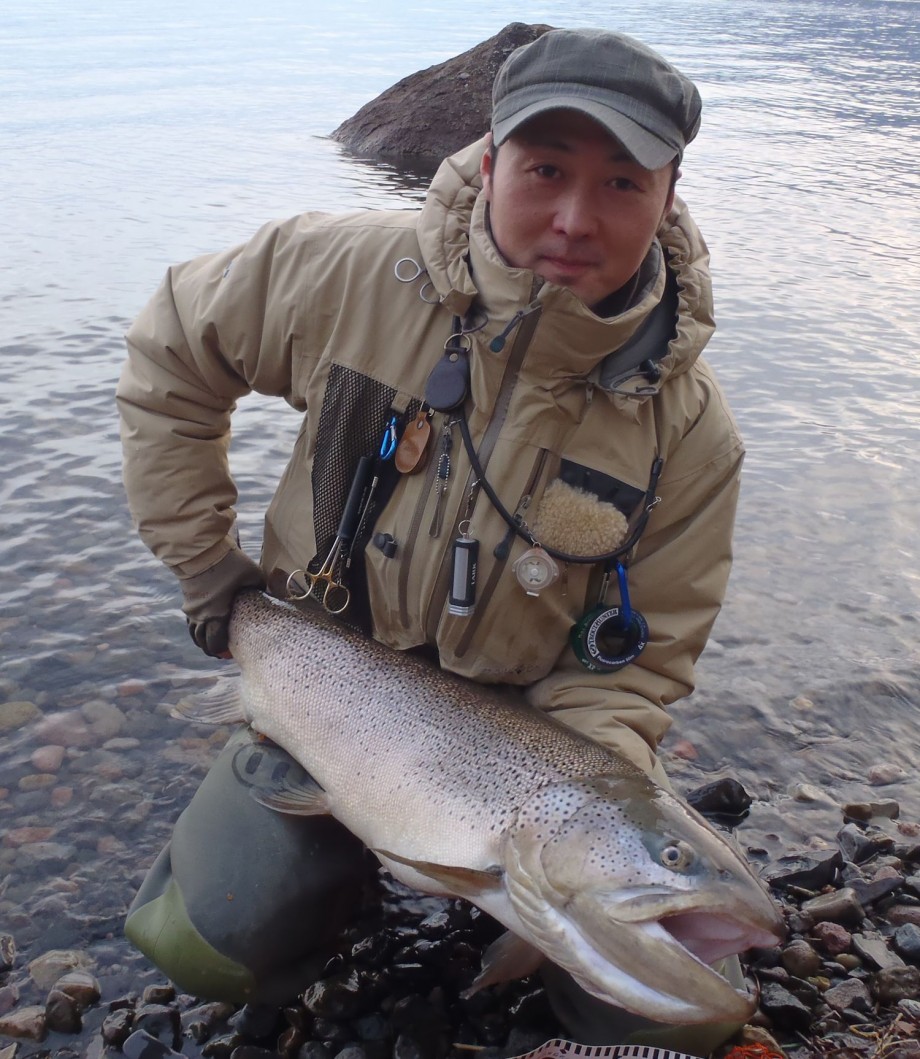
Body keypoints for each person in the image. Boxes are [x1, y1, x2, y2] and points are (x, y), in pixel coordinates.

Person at [117, 27, 746, 1053]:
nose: (575, 219)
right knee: (212, 945)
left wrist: (572, 803)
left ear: (667, 196)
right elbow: (170, 352)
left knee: (679, 1017)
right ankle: (328, 867)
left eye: (622, 184)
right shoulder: (345, 274)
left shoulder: (687, 429)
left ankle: (514, 893)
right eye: (545, 171)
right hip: (322, 677)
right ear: (489, 161)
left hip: (530, 728)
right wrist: (207, 568)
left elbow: (638, 668)